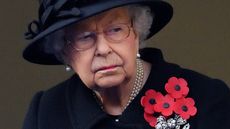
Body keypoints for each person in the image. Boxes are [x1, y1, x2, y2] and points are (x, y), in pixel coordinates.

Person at [22, 0, 230, 129]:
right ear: (64, 51)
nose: (103, 49)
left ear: (137, 32)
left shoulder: (207, 97)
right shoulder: (45, 110)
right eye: (84, 37)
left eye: (115, 29)